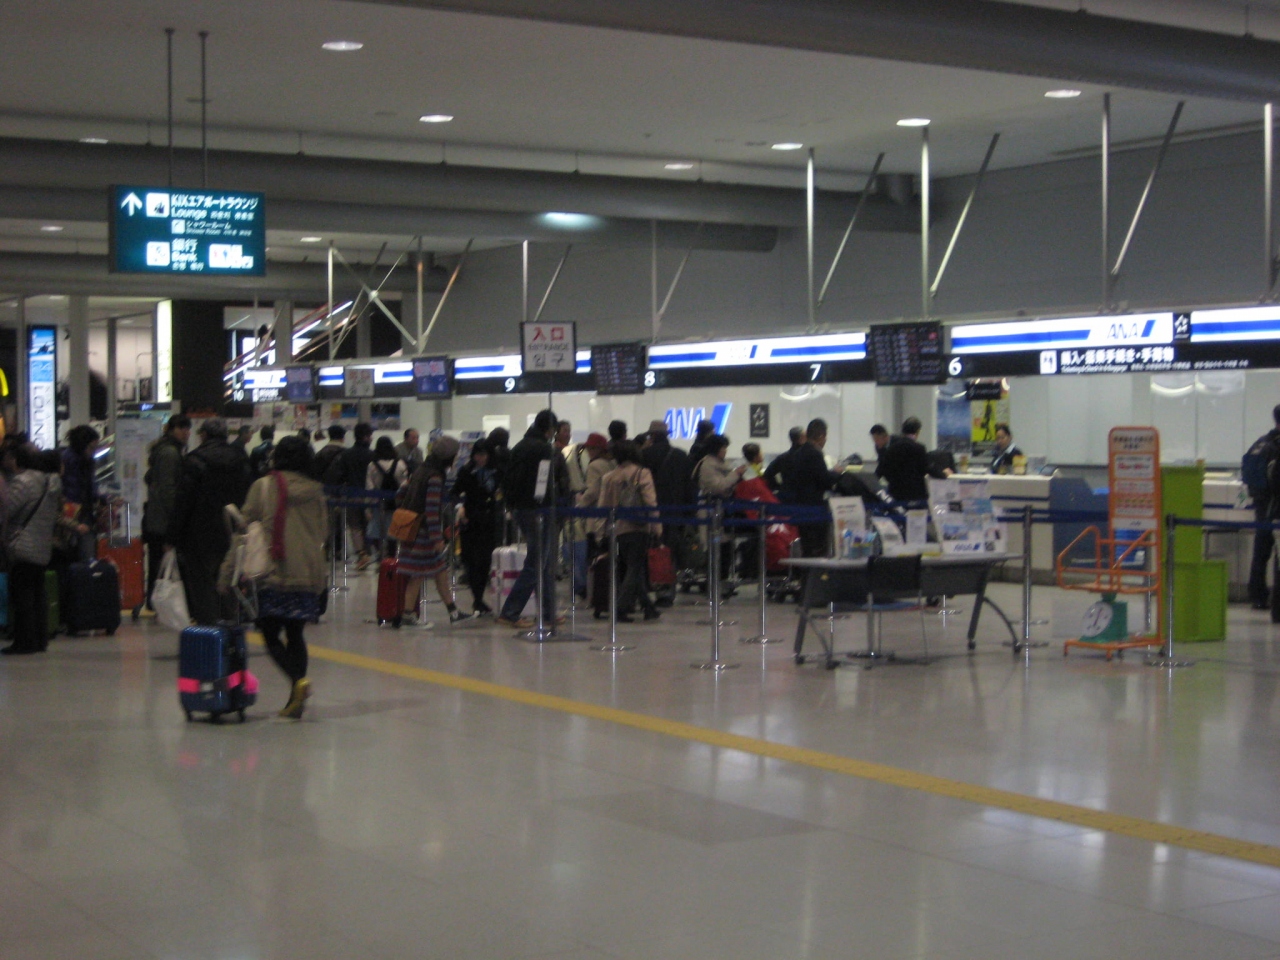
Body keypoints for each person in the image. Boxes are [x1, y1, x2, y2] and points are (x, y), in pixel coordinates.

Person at [240, 435, 329, 719]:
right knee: (295, 633)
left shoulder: (264, 485)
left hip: (275, 568)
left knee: (268, 632)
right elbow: (323, 531)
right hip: (307, 569)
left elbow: (245, 523)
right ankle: (295, 701)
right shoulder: (315, 490)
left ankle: (298, 681)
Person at [166, 418, 252, 625]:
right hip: (231, 529)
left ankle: (208, 627)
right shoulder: (240, 460)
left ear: (203, 435)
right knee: (229, 578)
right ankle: (230, 623)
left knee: (202, 583)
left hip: (199, 533)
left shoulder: (194, 461)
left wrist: (172, 536)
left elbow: (183, 501)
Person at [496, 410, 568, 628]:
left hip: (520, 508)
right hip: (537, 510)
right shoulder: (543, 448)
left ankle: (547, 612)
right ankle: (510, 611)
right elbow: (543, 480)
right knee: (537, 562)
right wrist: (548, 502)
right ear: (550, 429)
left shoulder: (520, 445)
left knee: (542, 562)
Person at [399, 436, 468, 625]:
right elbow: (431, 510)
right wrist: (437, 538)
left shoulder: (420, 470)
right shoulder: (435, 477)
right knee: (418, 573)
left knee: (439, 570)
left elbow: (401, 493)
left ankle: (453, 612)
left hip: (413, 528)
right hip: (424, 534)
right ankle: (407, 615)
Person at [3, 444, 65, 654]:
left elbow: (9, 509)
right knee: (38, 593)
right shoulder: (50, 482)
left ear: (17, 460)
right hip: (41, 544)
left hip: (22, 543)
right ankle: (39, 639)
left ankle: (24, 641)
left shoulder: (24, 481)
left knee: (22, 595)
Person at [599, 441, 661, 622]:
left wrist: (600, 531)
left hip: (617, 528)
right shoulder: (642, 473)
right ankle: (620, 608)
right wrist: (657, 527)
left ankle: (648, 607)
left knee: (634, 568)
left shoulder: (609, 477)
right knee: (634, 568)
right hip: (637, 527)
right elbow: (650, 502)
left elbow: (603, 506)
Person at [143, 415, 191, 610]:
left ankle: (155, 602)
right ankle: (160, 603)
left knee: (158, 562)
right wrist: (177, 517)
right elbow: (168, 489)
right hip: (164, 520)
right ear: (171, 430)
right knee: (164, 563)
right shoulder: (170, 453)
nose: (185, 433)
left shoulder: (164, 450)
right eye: (181, 428)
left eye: (187, 428)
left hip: (156, 518)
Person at [451, 439, 500, 616]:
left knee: (486, 560)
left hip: (490, 520)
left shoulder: (496, 471)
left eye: (483, 455)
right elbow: (454, 493)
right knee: (471, 560)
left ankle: (479, 599)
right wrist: (460, 507)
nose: (480, 459)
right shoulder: (466, 471)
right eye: (477, 455)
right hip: (470, 520)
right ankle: (477, 599)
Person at [327, 422, 375, 568]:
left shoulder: (346, 454)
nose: (371, 438)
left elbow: (337, 475)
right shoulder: (372, 455)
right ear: (366, 437)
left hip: (351, 495)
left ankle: (362, 554)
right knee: (370, 524)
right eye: (370, 435)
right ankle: (370, 552)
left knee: (355, 526)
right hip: (371, 496)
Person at [1246, 404, 1280, 609]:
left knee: (1261, 551)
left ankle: (1257, 595)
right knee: (1275, 552)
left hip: (1261, 503)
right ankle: (1275, 600)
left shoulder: (1261, 442)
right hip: (1275, 504)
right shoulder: (1276, 445)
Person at [792, 418, 840, 558]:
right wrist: (836, 474)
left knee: (806, 546)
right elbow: (823, 479)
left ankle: (806, 571)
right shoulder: (815, 453)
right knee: (818, 546)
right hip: (814, 504)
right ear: (821, 436)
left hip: (800, 504)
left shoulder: (799, 453)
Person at [876, 416, 945, 503]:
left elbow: (881, 470)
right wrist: (943, 474)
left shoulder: (890, 448)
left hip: (895, 494)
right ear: (917, 431)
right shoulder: (919, 448)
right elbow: (926, 468)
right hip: (915, 495)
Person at [60, 424, 101, 562]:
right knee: (85, 554)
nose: (94, 452)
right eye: (92, 448)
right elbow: (79, 488)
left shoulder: (74, 459)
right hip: (75, 514)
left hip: (75, 513)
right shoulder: (74, 462)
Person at [365, 436, 409, 561]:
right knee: (393, 531)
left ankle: (380, 553)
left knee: (375, 530)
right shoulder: (400, 463)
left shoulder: (372, 465)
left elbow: (369, 486)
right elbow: (404, 484)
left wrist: (369, 505)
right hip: (395, 502)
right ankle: (391, 556)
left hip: (378, 503)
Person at [764, 426, 805, 502]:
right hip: (805, 498)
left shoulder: (783, 458)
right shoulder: (809, 457)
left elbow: (767, 474)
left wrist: (778, 486)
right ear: (801, 438)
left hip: (786, 496)